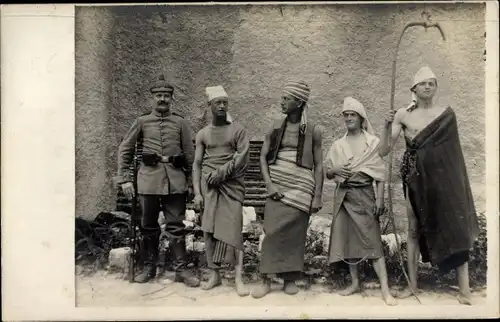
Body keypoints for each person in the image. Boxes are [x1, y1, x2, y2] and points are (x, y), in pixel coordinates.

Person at [379, 66, 480, 305]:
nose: (427, 87)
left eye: (431, 83)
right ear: (414, 89)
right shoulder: (403, 115)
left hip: (444, 182)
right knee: (413, 230)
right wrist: (385, 125)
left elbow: (452, 156)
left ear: (435, 87)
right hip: (415, 180)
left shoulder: (446, 114)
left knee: (454, 225)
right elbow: (384, 150)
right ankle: (413, 284)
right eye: (423, 83)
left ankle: (464, 289)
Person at [115, 74, 200, 287]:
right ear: (152, 98)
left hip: (175, 181)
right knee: (148, 226)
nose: (162, 99)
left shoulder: (180, 123)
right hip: (148, 181)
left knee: (176, 226)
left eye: (166, 96)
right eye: (158, 96)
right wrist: (125, 179)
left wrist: (191, 182)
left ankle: (181, 270)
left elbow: (190, 154)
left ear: (172, 99)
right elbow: (125, 148)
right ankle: (149, 267)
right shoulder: (142, 122)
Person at [252, 80, 324, 298]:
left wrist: (317, 195)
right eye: (282, 98)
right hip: (277, 186)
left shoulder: (314, 131)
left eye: (286, 98)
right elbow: (262, 157)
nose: (281, 102)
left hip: (302, 188)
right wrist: (269, 184)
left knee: (295, 233)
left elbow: (320, 164)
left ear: (299, 102)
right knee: (271, 231)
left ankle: (290, 278)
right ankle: (266, 278)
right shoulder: (274, 126)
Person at [325, 97, 397, 306]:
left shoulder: (372, 143)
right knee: (349, 242)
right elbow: (329, 172)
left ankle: (385, 289)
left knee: (373, 241)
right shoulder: (339, 145)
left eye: (352, 115)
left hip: (365, 196)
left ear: (360, 118)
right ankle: (355, 282)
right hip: (344, 197)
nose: (348, 118)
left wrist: (380, 199)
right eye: (345, 115)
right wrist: (335, 170)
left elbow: (379, 174)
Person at [192, 85, 250, 297]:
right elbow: (197, 164)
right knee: (208, 229)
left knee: (234, 230)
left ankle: (238, 278)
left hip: (231, 186)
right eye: (218, 102)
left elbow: (243, 157)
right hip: (209, 187)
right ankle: (214, 275)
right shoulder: (203, 133)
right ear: (210, 106)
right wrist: (197, 193)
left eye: (225, 102)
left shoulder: (238, 130)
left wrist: (222, 173)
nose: (222, 106)